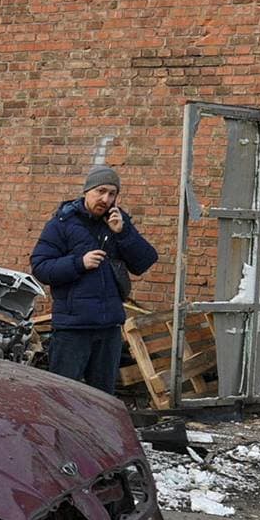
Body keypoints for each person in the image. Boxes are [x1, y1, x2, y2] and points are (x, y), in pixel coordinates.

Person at [30, 164, 158, 395]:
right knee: (62, 396)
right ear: (87, 191)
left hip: (108, 329)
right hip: (72, 329)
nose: (105, 199)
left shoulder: (118, 222)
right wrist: (79, 263)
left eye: (112, 193)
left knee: (102, 398)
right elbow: (41, 267)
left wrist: (123, 233)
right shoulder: (62, 224)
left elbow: (144, 262)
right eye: (100, 191)